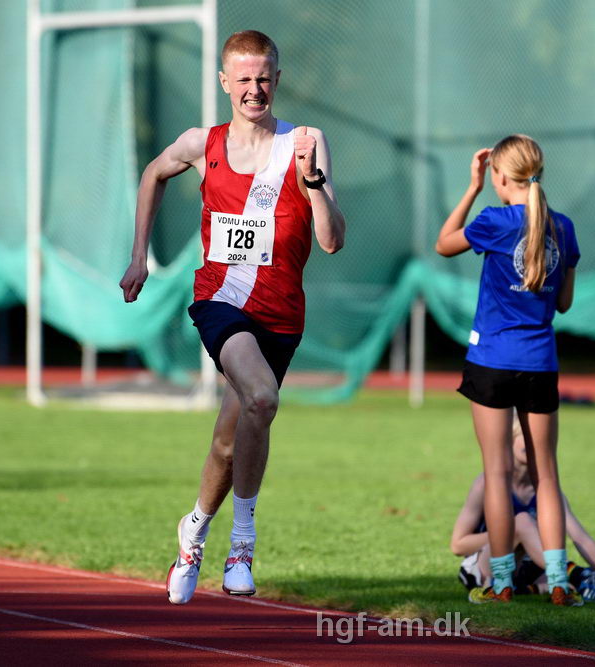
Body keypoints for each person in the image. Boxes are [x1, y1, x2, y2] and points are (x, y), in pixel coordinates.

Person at [119, 30, 345, 605]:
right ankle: (242, 544)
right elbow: (152, 174)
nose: (254, 89)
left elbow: (332, 241)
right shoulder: (202, 143)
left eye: (263, 77)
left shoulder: (305, 143)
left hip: (282, 314)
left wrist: (314, 183)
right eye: (242, 79)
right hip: (222, 301)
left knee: (230, 438)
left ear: (277, 78)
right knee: (263, 399)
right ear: (224, 83)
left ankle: (193, 530)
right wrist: (138, 254)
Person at [435, 135, 580, 606]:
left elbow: (443, 244)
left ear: (499, 176)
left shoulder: (494, 220)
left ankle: (500, 583)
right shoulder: (563, 228)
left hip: (492, 361)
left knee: (496, 475)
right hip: (541, 362)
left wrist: (471, 188)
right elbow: (562, 302)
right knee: (548, 477)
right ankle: (558, 580)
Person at [451, 419, 595, 602]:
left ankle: (530, 588)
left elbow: (581, 539)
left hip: (530, 567)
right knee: (523, 521)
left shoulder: (547, 492)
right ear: (508, 440)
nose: (531, 442)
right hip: (487, 566)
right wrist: (511, 532)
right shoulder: (485, 484)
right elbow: (458, 544)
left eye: (535, 436)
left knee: (562, 585)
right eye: (524, 436)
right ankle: (577, 574)